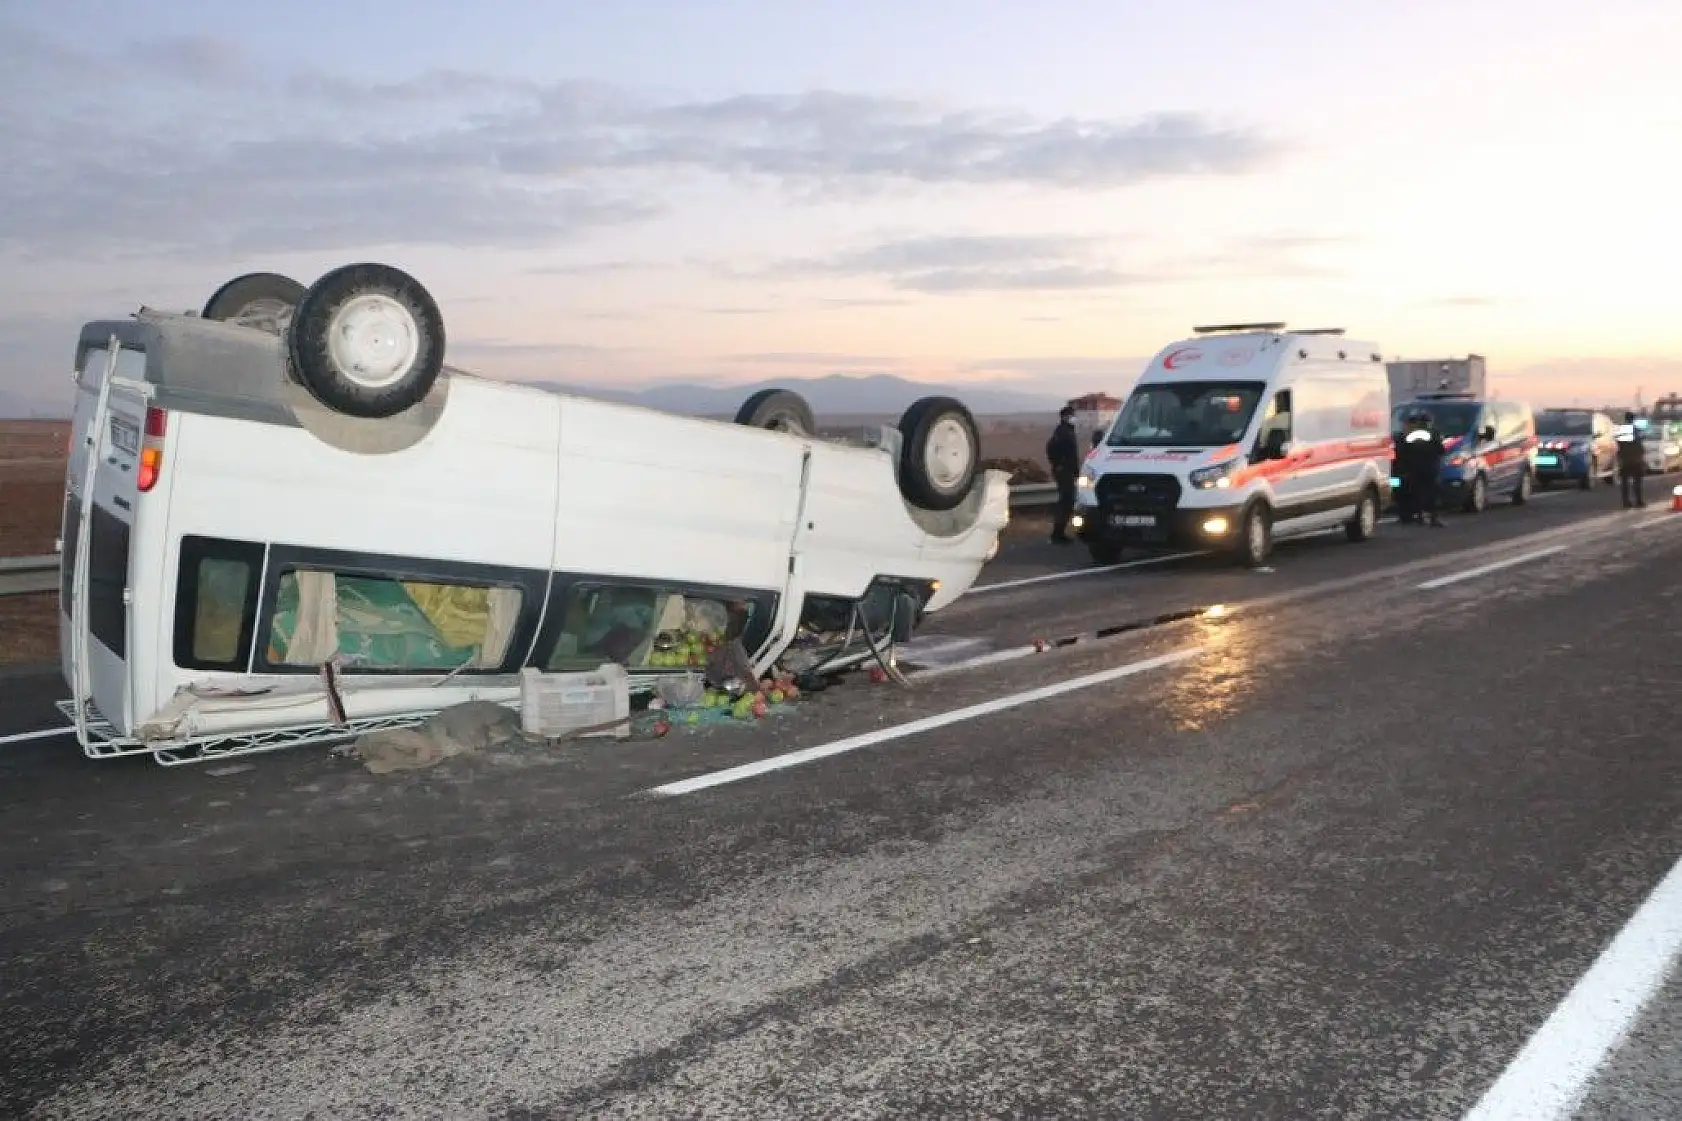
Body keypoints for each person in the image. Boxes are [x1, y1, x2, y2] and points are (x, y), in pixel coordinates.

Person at [1397, 411, 1445, 527]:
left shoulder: (1411, 434)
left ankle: (1420, 517)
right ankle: (1433, 518)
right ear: (1429, 422)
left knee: (1417, 492)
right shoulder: (1433, 433)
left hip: (1414, 468)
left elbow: (1402, 451)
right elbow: (1441, 450)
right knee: (1432, 493)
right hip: (1430, 468)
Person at [1045, 406, 1081, 544]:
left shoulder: (1064, 431)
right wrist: (1059, 464)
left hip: (1065, 470)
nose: (1074, 418)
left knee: (1066, 501)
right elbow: (1067, 454)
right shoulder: (1064, 432)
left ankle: (1059, 533)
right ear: (1065, 417)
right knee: (1067, 501)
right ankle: (1058, 534)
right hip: (1065, 471)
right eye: (1072, 415)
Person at [1615, 411, 1647, 508]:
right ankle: (1638, 501)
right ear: (1633, 419)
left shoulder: (1621, 430)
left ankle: (1626, 502)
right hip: (1635, 459)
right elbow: (1639, 444)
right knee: (1637, 481)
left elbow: (1618, 444)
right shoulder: (1636, 430)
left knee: (1624, 482)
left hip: (1624, 459)